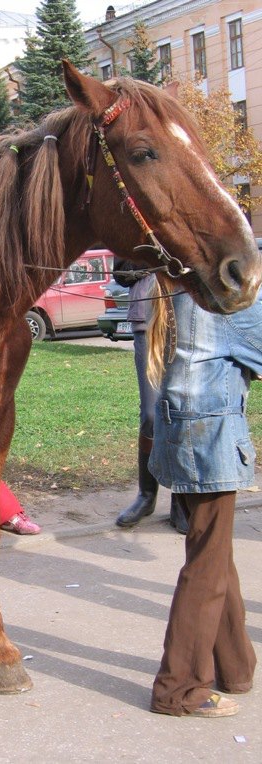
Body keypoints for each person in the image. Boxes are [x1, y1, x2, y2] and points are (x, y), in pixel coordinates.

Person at [146, 285, 261, 718]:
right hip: (210, 438)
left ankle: (236, 666)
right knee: (206, 566)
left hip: (182, 433)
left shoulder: (177, 285)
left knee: (212, 551)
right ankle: (178, 690)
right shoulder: (223, 297)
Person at [113, 259, 187, 534]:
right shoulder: (134, 223)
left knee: (181, 411)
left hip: (183, 319)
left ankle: (180, 501)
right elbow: (120, 272)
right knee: (151, 415)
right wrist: (149, 262)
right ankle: (146, 496)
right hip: (145, 319)